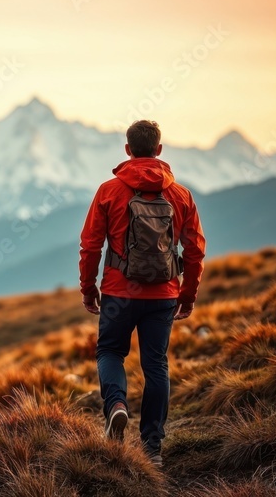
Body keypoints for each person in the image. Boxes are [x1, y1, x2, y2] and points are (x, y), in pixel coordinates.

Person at [78, 119, 205, 467]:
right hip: (163, 294)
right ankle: (152, 447)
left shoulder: (108, 191)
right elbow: (194, 251)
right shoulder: (181, 195)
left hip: (119, 293)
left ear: (128, 150)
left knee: (109, 352)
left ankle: (117, 407)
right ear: (159, 150)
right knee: (155, 365)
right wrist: (187, 295)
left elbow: (90, 246)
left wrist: (89, 290)